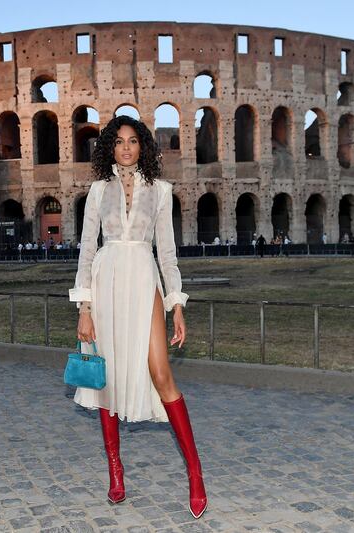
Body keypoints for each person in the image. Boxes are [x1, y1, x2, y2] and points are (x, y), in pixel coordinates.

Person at [70, 116, 207, 519]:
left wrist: (176, 303)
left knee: (161, 372)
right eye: (119, 141)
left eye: (133, 141)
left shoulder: (161, 191)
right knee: (107, 377)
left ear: (142, 147)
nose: (126, 148)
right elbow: (86, 251)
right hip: (106, 282)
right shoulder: (97, 191)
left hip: (144, 278)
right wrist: (85, 308)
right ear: (109, 148)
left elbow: (167, 252)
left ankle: (195, 473)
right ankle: (115, 469)